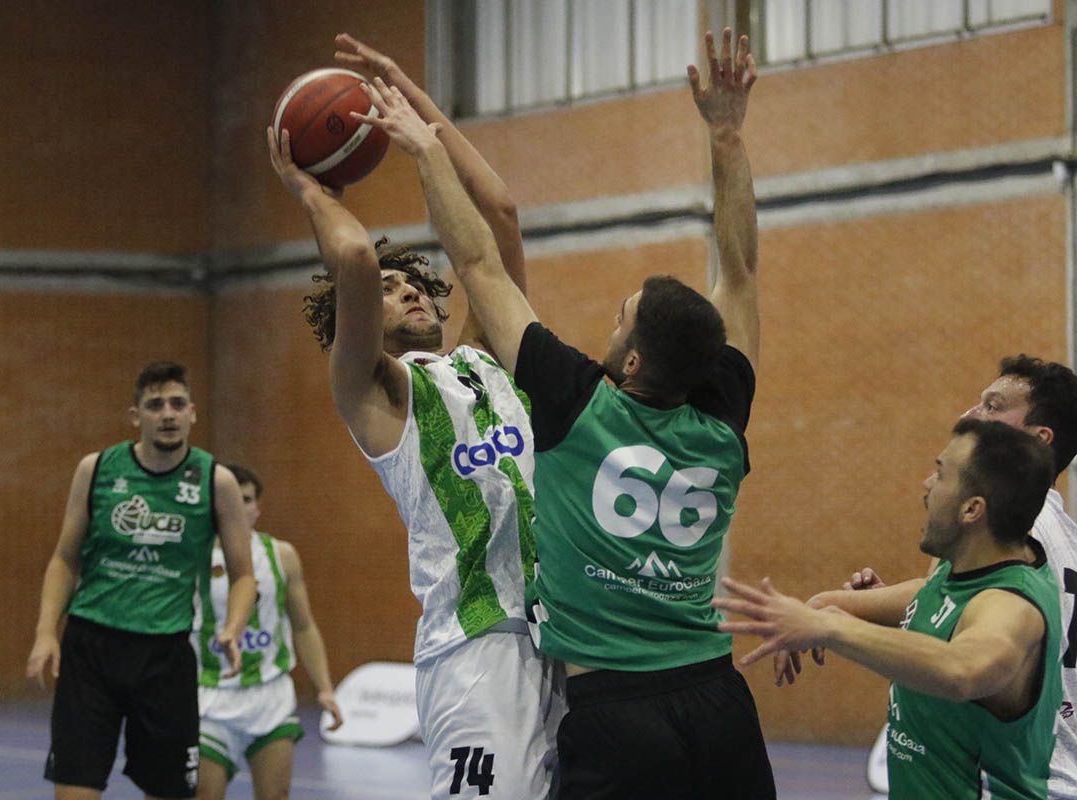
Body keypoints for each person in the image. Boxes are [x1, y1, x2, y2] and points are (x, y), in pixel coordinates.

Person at [357, 26, 772, 798]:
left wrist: (422, 152)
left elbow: (479, 258)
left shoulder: (578, 407)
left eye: (620, 319)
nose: (607, 327)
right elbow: (740, 270)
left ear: (635, 361)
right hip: (718, 697)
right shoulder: (723, 418)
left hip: (614, 707)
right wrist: (727, 135)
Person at [267, 35, 563, 800]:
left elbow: (498, 210)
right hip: (475, 652)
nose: (408, 292)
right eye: (392, 291)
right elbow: (359, 260)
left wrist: (412, 105)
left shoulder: (485, 358)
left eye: (419, 285)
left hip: (564, 636)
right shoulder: (377, 394)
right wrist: (308, 187)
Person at [717, 418, 1062, 799]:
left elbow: (961, 669)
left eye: (940, 474)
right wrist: (817, 609)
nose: (926, 485)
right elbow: (921, 599)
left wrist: (830, 628)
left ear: (971, 510)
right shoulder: (959, 571)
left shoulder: (1009, 606)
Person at [829, 356, 1077, 796]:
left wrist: (828, 625)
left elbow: (972, 657)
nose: (970, 415)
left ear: (1040, 440)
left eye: (993, 406)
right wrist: (847, 607)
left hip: (1014, 775)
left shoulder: (1009, 527)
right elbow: (952, 600)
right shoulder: (1061, 533)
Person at [26, 361, 257, 800]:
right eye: (155, 405)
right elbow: (64, 559)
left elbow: (243, 575)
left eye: (176, 404)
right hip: (91, 649)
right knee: (75, 788)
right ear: (136, 415)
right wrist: (45, 632)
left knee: (169, 791)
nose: (167, 414)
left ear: (192, 413)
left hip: (165, 655)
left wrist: (232, 628)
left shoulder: (215, 480)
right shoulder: (95, 469)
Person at [193, 464, 342, 800]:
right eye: (226, 498)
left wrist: (325, 688)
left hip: (270, 694)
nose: (236, 505)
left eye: (245, 499)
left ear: (257, 508)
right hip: (210, 698)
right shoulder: (193, 557)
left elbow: (303, 625)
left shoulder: (281, 555)